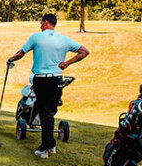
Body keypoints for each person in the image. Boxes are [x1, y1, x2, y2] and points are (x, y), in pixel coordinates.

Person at [6, 14, 90, 158]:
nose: (40, 25)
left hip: (41, 80)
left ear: (45, 22)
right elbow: (85, 51)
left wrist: (10, 59)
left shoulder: (36, 37)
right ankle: (50, 145)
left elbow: (21, 53)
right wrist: (67, 63)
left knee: (46, 113)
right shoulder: (64, 39)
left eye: (41, 23)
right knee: (47, 112)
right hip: (57, 80)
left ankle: (44, 150)